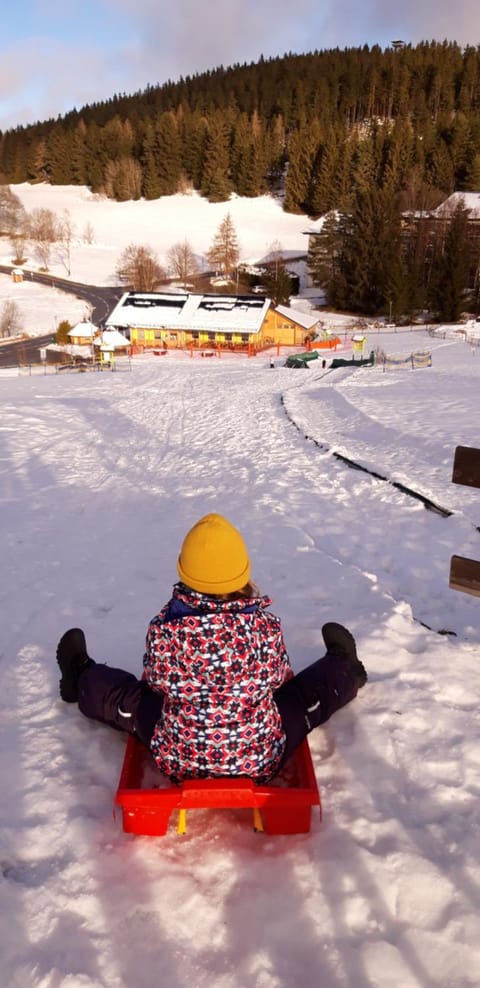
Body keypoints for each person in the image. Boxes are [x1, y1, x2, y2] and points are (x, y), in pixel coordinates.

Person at [57, 513, 367, 783]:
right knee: (298, 699)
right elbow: (279, 679)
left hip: (179, 759)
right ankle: (345, 669)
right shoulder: (264, 628)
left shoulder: (165, 629)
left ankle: (81, 677)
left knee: (132, 701)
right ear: (244, 573)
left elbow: (153, 683)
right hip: (259, 759)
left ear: (184, 573)